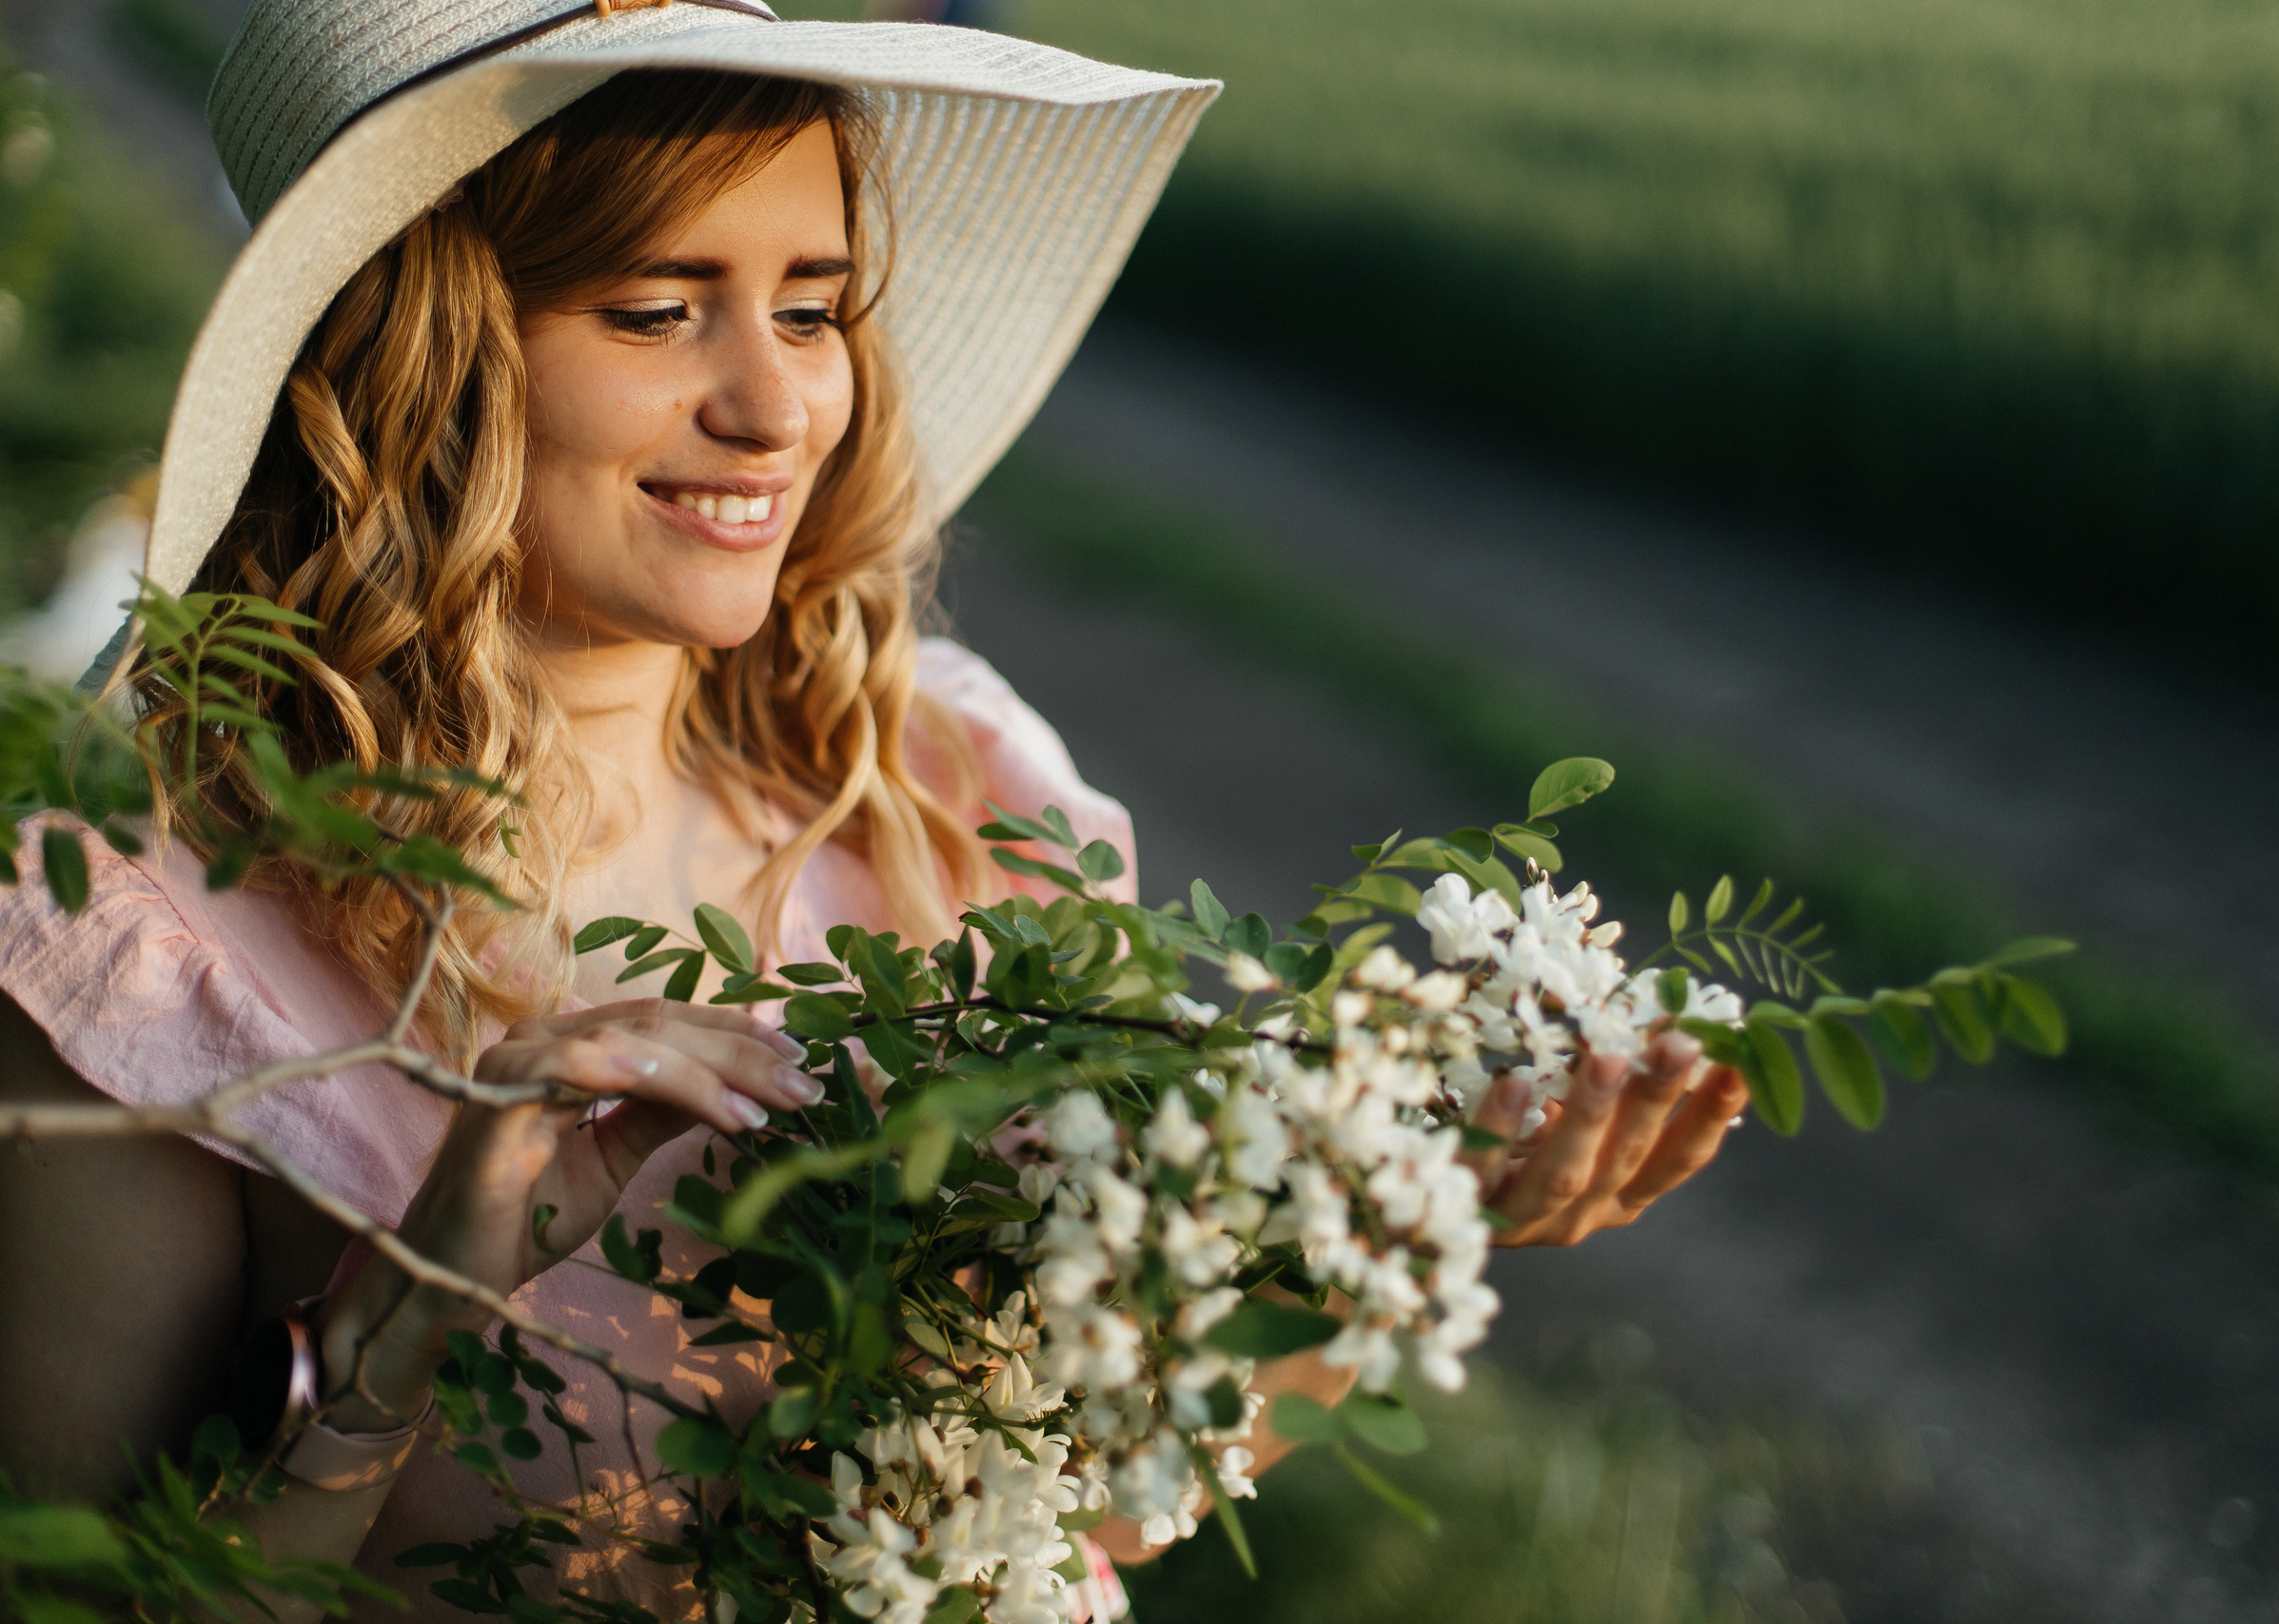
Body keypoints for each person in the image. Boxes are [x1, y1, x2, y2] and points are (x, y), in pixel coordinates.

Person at [0, 4, 1751, 1619]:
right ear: (422, 348)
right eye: (657, 307)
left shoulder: (946, 796)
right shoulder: (148, 944)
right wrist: (405, 1327)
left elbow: (1096, 1492)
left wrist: (1363, 1224)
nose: (775, 405)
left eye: (815, 305)